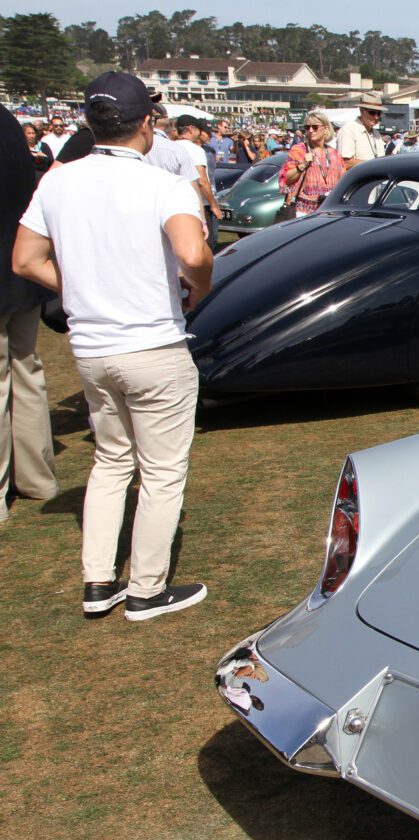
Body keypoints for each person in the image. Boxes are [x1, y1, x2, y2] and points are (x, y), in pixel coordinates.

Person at [12, 72, 212, 618]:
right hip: (152, 345)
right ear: (147, 122)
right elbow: (193, 254)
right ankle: (148, 588)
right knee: (163, 470)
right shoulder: (163, 185)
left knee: (111, 461)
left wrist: (81, 286)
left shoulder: (57, 180)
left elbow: (26, 260)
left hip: (92, 347)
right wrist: (198, 287)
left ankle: (99, 580)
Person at [1, 105, 60, 523]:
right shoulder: (8, 124)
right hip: (21, 276)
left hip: (17, 270)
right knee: (25, 372)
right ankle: (37, 476)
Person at [278, 111, 345, 218]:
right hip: (303, 211)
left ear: (326, 129)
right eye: (307, 127)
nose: (310, 130)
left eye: (315, 127)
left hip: (329, 211)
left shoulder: (335, 154)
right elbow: (286, 179)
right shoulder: (299, 150)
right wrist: (302, 165)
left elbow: (342, 182)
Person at [174, 115, 221, 252]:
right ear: (191, 129)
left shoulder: (172, 147)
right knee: (208, 245)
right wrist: (213, 205)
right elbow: (202, 180)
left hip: (177, 203)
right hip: (200, 204)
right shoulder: (196, 151)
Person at [336, 93, 386, 168]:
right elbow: (345, 162)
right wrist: (374, 165)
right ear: (361, 110)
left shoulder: (376, 133)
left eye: (378, 113)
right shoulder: (348, 130)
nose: (376, 117)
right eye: (372, 112)